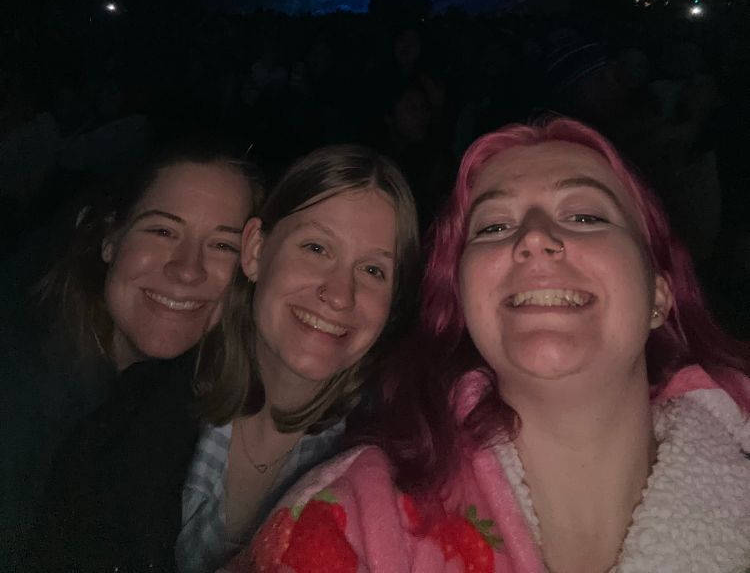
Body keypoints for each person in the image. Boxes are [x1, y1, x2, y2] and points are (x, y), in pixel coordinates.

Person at [240, 118, 750, 573]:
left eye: (585, 216)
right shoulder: (349, 520)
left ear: (659, 295)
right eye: (495, 226)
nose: (533, 237)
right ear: (464, 301)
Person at [176, 143, 420, 573]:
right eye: (316, 248)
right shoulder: (147, 408)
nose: (339, 295)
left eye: (373, 271)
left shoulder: (392, 464)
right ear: (255, 251)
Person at [26, 142, 263, 573]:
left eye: (222, 245)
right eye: (163, 231)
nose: (187, 269)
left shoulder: (205, 410)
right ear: (110, 239)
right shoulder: (22, 393)